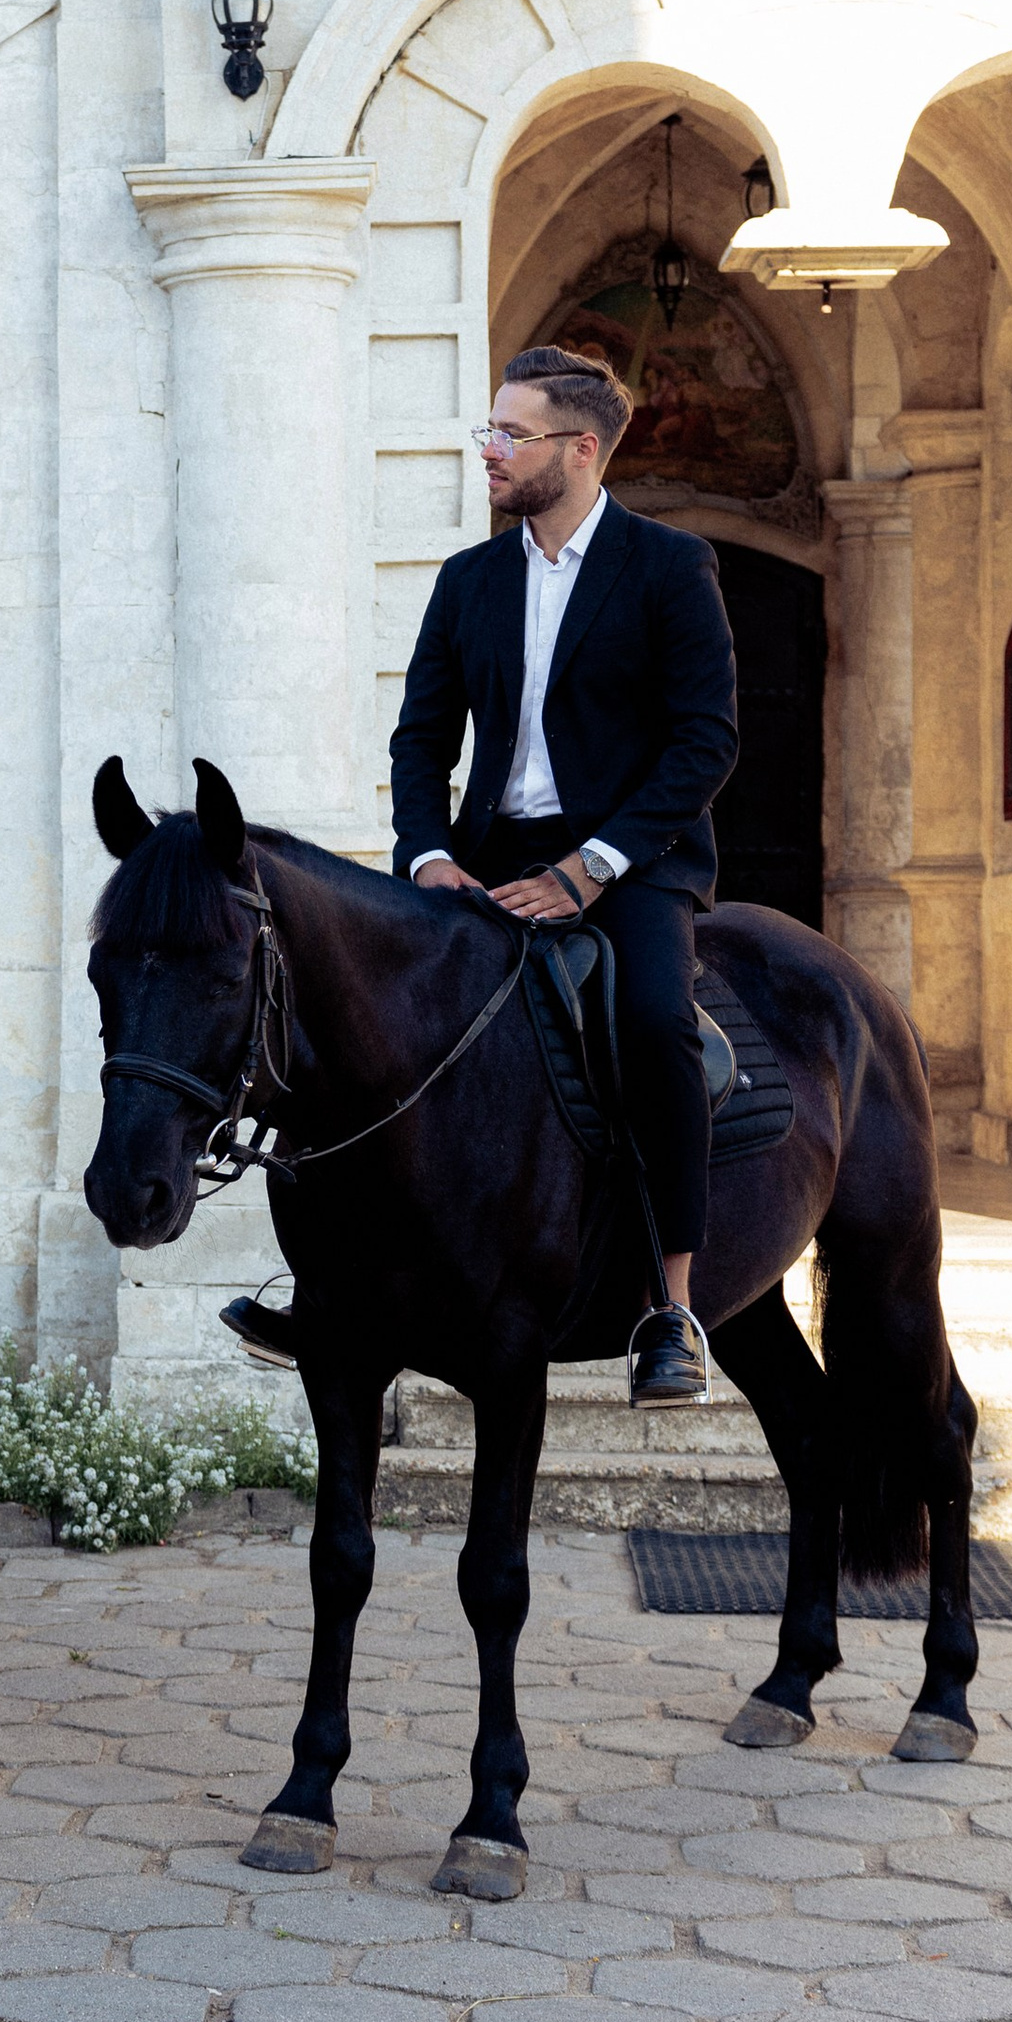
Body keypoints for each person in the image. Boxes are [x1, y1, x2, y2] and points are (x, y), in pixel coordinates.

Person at [226, 343, 738, 1407]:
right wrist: (428, 855)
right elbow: (420, 741)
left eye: (510, 433)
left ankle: (668, 1306)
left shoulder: (668, 567)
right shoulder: (467, 581)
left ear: (581, 450)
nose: (489, 451)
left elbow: (704, 743)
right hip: (481, 863)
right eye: (487, 430)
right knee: (349, 1015)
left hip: (630, 866)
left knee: (652, 1026)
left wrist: (591, 870)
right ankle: (330, 1285)